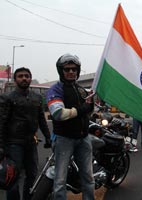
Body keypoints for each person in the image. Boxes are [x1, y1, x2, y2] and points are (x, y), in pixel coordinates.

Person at [46, 54, 95, 200]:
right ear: (61, 71)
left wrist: (91, 105)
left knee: (88, 178)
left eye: (74, 69)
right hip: (64, 139)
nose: (71, 72)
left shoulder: (81, 89)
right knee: (60, 180)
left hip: (84, 138)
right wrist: (82, 109)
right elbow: (58, 113)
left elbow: (88, 111)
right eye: (67, 69)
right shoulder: (55, 89)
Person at [0, 67, 51, 200]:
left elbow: (41, 119)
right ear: (15, 80)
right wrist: (1, 146)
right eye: (20, 76)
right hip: (13, 143)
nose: (24, 78)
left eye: (27, 76)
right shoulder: (7, 98)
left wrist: (48, 137)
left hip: (31, 143)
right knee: (13, 176)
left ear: (30, 78)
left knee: (33, 174)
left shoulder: (38, 97)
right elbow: (1, 123)